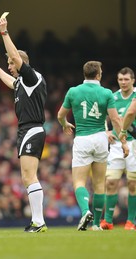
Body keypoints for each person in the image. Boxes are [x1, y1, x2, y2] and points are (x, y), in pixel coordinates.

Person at [0, 13, 48, 233]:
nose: (9, 65)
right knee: (26, 176)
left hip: (32, 129)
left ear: (21, 63)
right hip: (27, 130)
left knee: (29, 175)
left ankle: (38, 222)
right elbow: (11, 81)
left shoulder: (31, 77)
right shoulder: (22, 82)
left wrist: (4, 33)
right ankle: (37, 221)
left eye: (11, 62)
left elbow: (15, 58)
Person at [57, 61, 129, 231]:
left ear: (85, 74)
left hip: (82, 138)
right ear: (98, 75)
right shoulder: (106, 93)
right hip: (101, 138)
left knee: (79, 182)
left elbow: (61, 115)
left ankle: (84, 212)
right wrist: (123, 142)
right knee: (98, 184)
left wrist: (65, 123)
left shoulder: (73, 91)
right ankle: (96, 224)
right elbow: (116, 120)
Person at [101, 67, 136, 230]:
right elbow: (100, 116)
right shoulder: (113, 97)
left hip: (133, 143)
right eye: (121, 79)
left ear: (133, 80)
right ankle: (108, 221)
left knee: (133, 184)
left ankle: (131, 221)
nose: (123, 82)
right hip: (116, 145)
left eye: (126, 79)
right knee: (111, 182)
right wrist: (106, 131)